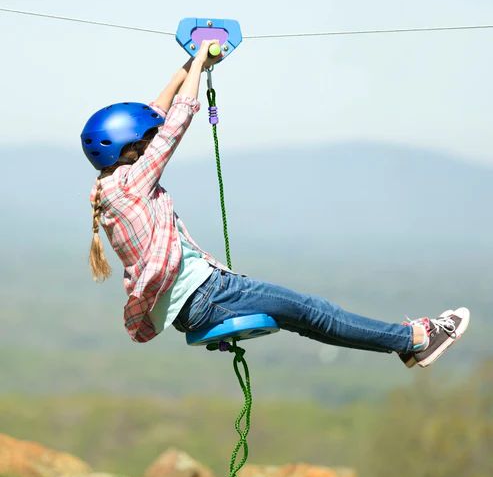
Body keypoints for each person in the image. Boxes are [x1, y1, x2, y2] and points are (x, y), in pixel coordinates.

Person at [81, 39, 470, 368]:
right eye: (144, 141)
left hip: (196, 302)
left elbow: (155, 114)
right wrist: (200, 62)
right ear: (129, 150)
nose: (152, 142)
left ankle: (405, 344)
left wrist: (184, 67)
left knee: (307, 318)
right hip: (209, 295)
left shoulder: (110, 187)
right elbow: (175, 122)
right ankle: (416, 339)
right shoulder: (133, 183)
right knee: (314, 310)